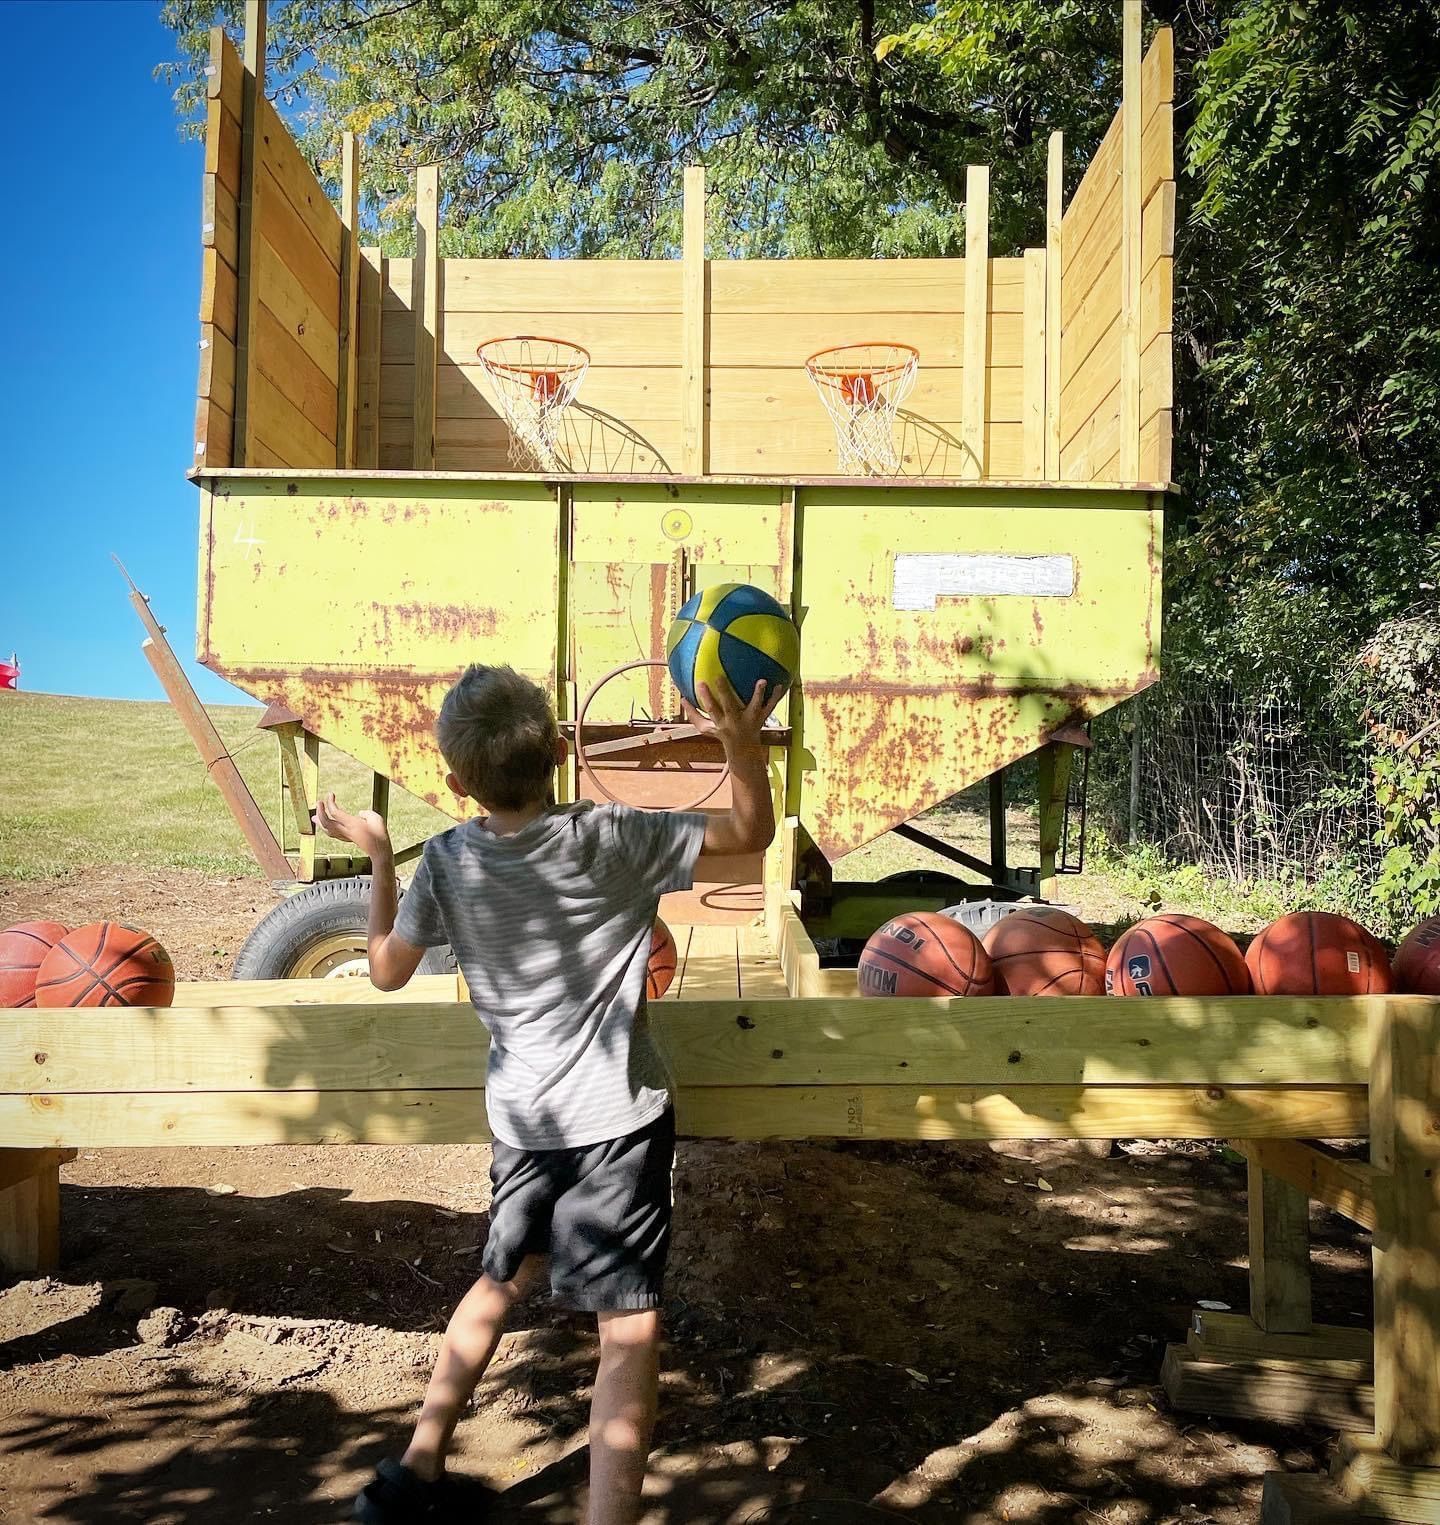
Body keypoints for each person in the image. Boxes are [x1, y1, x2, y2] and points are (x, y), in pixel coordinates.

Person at [318, 663, 780, 1525]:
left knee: (502, 1278)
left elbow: (383, 970)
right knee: (627, 1328)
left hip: (523, 1123)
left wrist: (382, 852)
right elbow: (750, 830)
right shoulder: (613, 836)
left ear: (457, 784)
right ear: (561, 752)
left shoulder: (449, 859)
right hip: (619, 1124)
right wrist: (741, 744)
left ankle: (411, 1472)